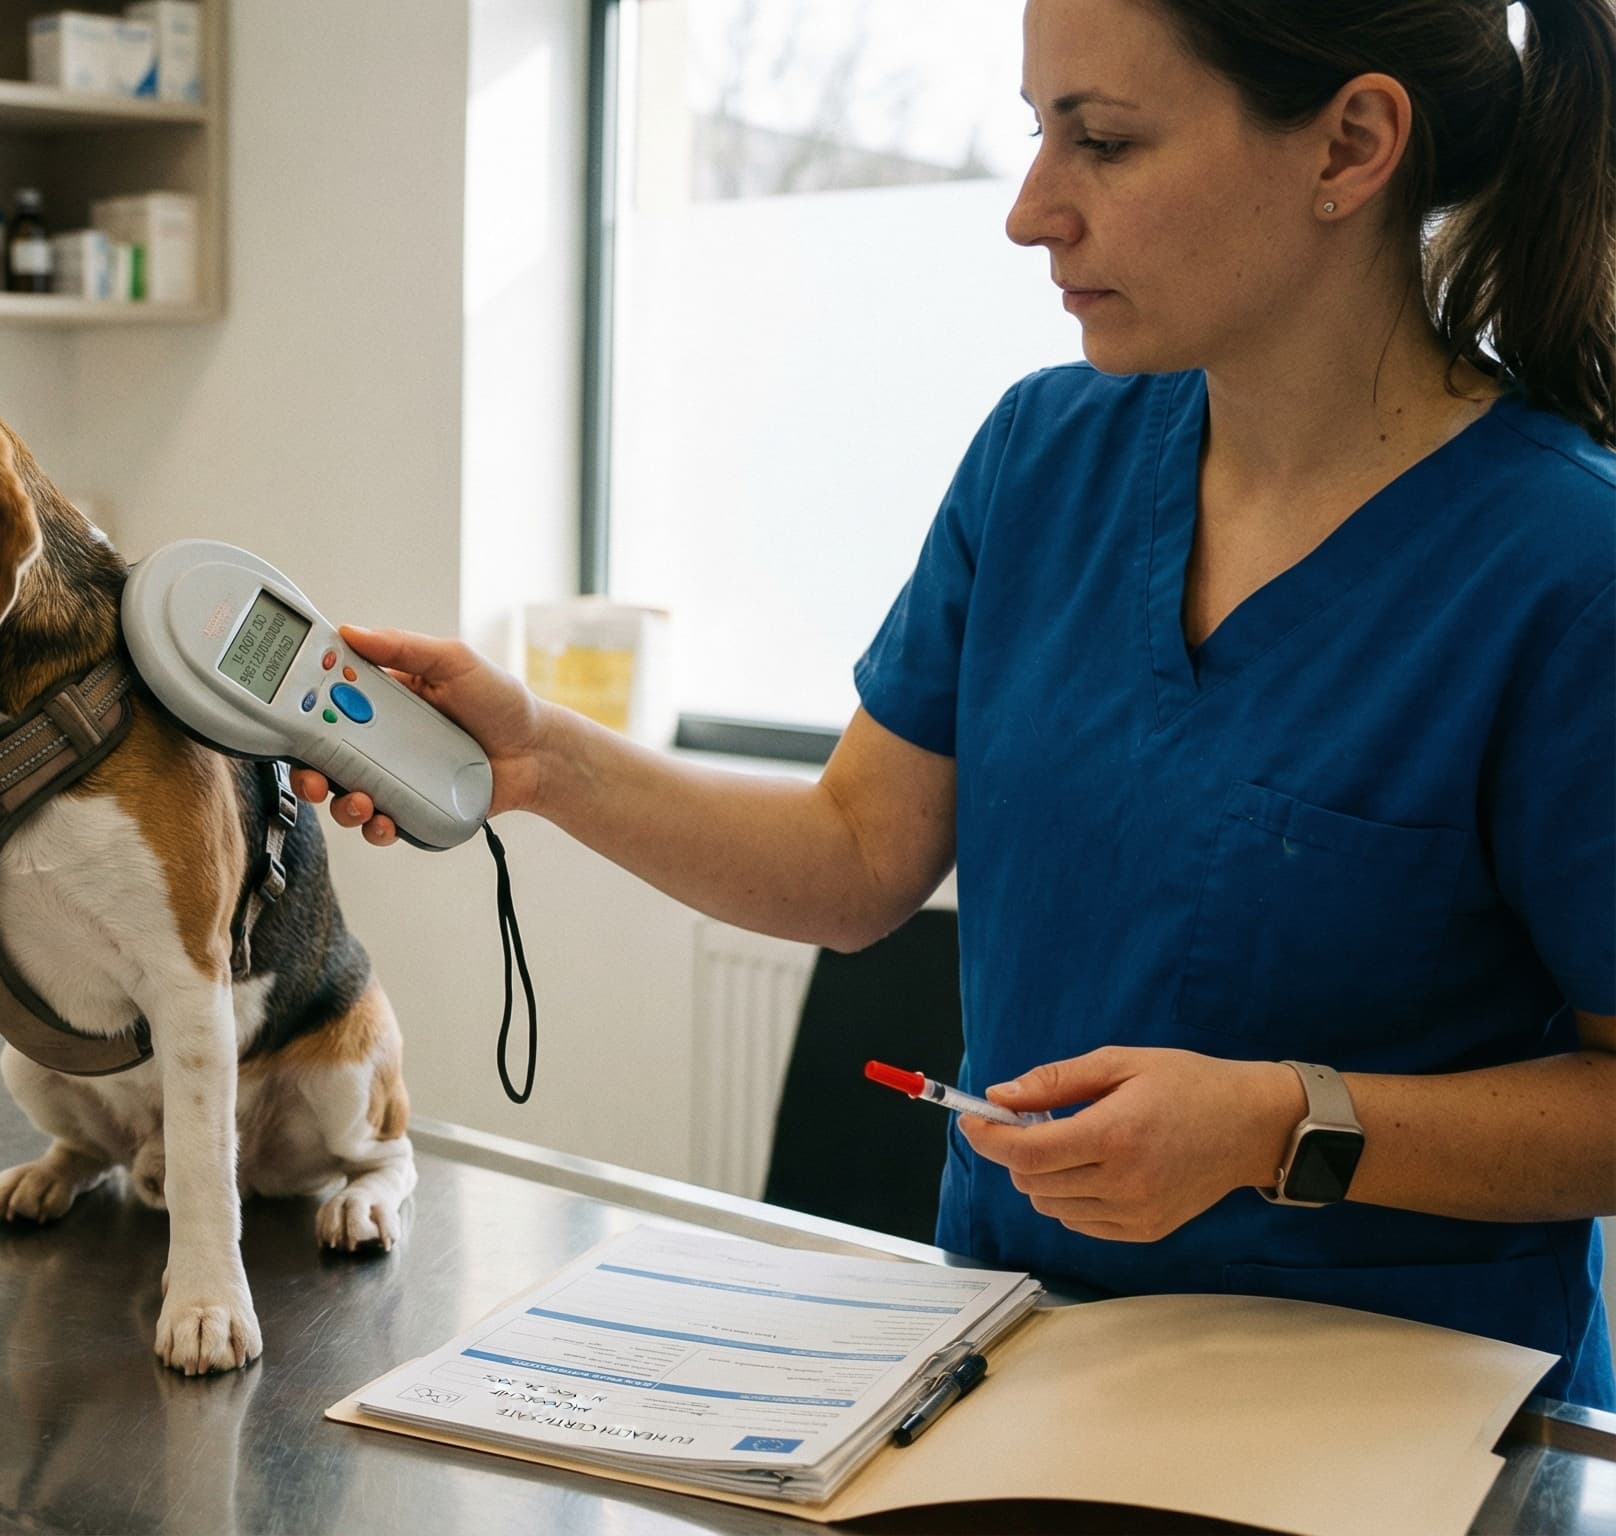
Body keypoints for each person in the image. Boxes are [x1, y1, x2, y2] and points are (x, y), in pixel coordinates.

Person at [301, 0, 1616, 1407]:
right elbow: (857, 857)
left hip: (1404, 1420)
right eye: (1040, 131)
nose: (1031, 212)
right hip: (1016, 1361)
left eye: (1102, 141)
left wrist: (1278, 1126)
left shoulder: (1562, 567)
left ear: (1350, 145)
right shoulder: (1044, 460)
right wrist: (545, 758)